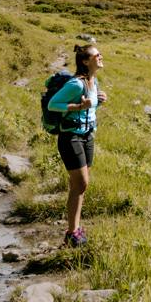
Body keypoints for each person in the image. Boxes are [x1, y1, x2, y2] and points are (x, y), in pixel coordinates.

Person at [48, 43, 107, 247]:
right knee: (80, 183)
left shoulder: (94, 81)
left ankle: (75, 228)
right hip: (70, 136)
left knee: (80, 185)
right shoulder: (75, 84)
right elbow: (53, 104)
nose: (100, 56)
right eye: (96, 55)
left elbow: (90, 108)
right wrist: (78, 106)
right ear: (85, 61)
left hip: (87, 136)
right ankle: (72, 232)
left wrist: (98, 101)